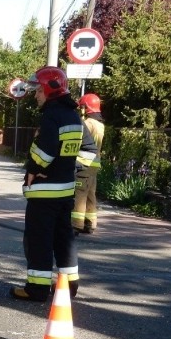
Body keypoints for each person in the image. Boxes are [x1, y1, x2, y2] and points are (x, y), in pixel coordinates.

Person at [10, 66, 94, 301]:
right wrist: (69, 168)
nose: (35, 94)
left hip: (44, 193)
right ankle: (69, 286)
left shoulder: (51, 115)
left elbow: (42, 154)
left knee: (39, 240)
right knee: (63, 239)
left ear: (49, 89)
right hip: (65, 190)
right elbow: (86, 151)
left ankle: (36, 289)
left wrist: (32, 171)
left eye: (38, 90)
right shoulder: (73, 116)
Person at [72, 92, 105, 234]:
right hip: (94, 165)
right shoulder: (100, 124)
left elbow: (79, 142)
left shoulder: (86, 124)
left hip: (84, 164)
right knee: (91, 193)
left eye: (82, 107)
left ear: (86, 108)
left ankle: (76, 224)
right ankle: (90, 223)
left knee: (79, 194)